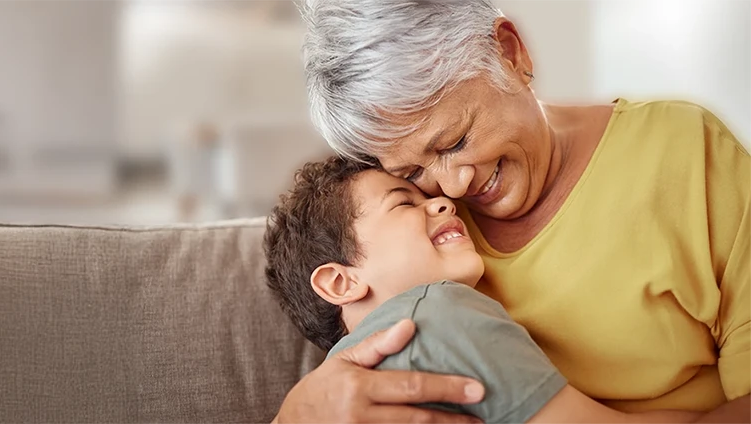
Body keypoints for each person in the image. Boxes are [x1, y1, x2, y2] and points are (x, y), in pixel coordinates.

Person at [273, 0, 751, 422]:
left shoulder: (683, 151)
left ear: (510, 52)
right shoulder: (423, 252)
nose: (452, 187)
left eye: (456, 141)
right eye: (413, 174)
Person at [263, 156, 704, 423]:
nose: (444, 200)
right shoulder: (438, 313)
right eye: (403, 202)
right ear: (341, 281)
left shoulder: (328, 387)